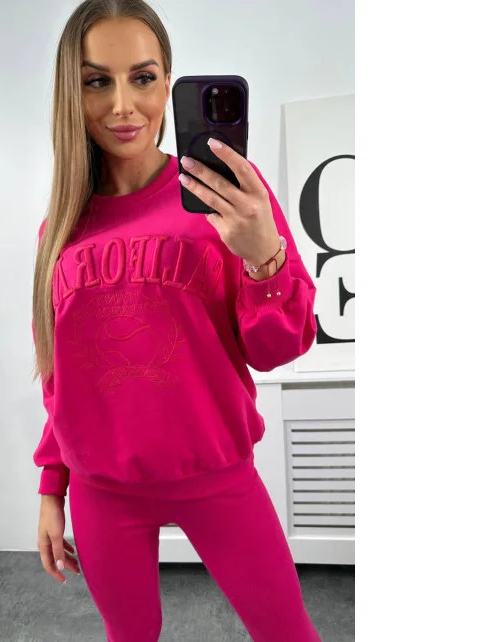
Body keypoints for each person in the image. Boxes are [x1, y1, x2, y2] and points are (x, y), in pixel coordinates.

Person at [31, 1, 321, 640]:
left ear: (168, 82)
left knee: (288, 632)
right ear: (72, 94)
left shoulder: (230, 196)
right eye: (97, 81)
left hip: (218, 476)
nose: (122, 106)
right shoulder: (60, 229)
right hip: (103, 490)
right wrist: (52, 488)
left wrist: (263, 259)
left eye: (142, 77)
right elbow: (59, 378)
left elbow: (278, 348)